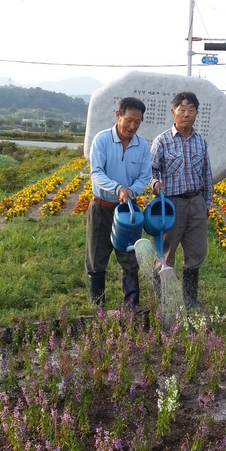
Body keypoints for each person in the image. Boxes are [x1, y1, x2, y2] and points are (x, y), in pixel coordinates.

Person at [85, 97, 151, 308]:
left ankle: (132, 306)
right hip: (101, 207)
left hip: (128, 211)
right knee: (96, 258)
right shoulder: (102, 140)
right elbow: (96, 173)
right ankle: (98, 307)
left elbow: (144, 176)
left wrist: (131, 190)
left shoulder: (142, 146)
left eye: (138, 122)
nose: (133, 126)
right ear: (118, 115)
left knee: (130, 258)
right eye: (129, 120)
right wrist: (117, 188)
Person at [150, 91, 212, 308]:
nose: (187, 114)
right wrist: (154, 184)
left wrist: (206, 204)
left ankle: (190, 302)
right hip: (171, 205)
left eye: (191, 110)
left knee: (195, 254)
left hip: (196, 203)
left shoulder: (200, 142)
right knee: (165, 253)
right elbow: (150, 170)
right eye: (182, 109)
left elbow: (207, 175)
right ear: (173, 112)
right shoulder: (163, 141)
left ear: (196, 114)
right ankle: (162, 301)